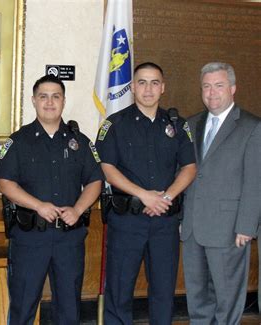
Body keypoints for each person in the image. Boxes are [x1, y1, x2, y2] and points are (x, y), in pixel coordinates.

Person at [0, 75, 103, 324]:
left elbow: (96, 181)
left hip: (69, 238)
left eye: (56, 96)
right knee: (23, 306)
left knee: (69, 308)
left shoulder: (80, 142)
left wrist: (78, 209)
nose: (49, 102)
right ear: (33, 101)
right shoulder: (18, 141)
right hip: (30, 238)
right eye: (43, 96)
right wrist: (38, 206)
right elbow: (4, 182)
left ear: (63, 101)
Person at [95, 62, 197, 324]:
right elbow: (106, 168)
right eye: (142, 82)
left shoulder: (177, 124)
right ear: (133, 88)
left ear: (162, 88)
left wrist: (165, 197)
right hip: (127, 221)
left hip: (164, 221)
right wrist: (144, 195)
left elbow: (189, 167)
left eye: (154, 83)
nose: (148, 88)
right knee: (119, 290)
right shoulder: (114, 124)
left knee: (163, 291)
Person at [181, 62, 261, 324]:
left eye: (219, 85)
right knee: (198, 299)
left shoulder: (251, 126)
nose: (212, 93)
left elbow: (254, 180)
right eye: (206, 86)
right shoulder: (190, 124)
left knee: (227, 301)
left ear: (233, 89)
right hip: (193, 227)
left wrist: (246, 226)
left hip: (230, 230)